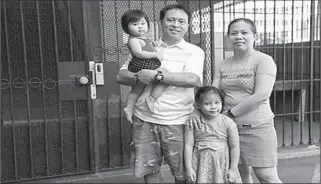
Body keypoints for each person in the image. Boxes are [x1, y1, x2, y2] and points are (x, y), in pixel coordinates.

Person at [116, 4, 205, 184]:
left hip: (178, 121)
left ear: (187, 25)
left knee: (184, 173)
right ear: (161, 22)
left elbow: (193, 79)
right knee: (150, 170)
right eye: (170, 20)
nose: (175, 24)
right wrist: (140, 77)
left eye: (181, 21)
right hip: (144, 120)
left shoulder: (194, 51)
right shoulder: (147, 45)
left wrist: (156, 76)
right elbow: (121, 75)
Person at [186, 18, 283, 183]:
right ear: (228, 38)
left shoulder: (263, 60)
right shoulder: (224, 64)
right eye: (234, 33)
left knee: (267, 177)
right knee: (238, 177)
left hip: (256, 128)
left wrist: (230, 114)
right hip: (228, 130)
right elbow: (213, 93)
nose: (239, 36)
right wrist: (197, 110)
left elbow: (261, 95)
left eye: (244, 32)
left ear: (254, 36)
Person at [184, 86, 242, 183]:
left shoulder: (228, 123)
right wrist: (189, 168)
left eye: (217, 102)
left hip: (222, 165)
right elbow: (188, 145)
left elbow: (235, 147)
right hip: (200, 165)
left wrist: (233, 169)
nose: (213, 107)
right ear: (198, 105)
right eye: (207, 103)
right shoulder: (193, 122)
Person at [121, 9, 167, 123]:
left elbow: (147, 46)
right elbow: (138, 53)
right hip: (141, 64)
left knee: (139, 88)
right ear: (126, 28)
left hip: (145, 64)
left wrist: (154, 45)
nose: (140, 27)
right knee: (163, 75)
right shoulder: (133, 40)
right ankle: (145, 99)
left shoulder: (144, 38)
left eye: (143, 23)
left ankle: (135, 103)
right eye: (135, 24)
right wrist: (155, 54)